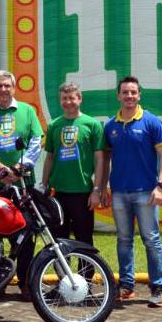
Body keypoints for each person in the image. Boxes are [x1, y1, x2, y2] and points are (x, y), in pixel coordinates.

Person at [101, 76, 162, 308]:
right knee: (124, 240)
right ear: (118, 96)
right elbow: (105, 159)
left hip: (146, 193)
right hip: (119, 193)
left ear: (139, 95)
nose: (129, 96)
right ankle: (126, 286)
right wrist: (102, 187)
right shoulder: (110, 126)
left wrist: (160, 186)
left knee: (151, 240)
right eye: (125, 92)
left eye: (133, 92)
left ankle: (157, 288)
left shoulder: (151, 121)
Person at [0, 70, 43, 299]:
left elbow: (36, 141)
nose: (3, 89)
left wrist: (17, 170)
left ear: (14, 88)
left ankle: (26, 282)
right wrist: (1, 169)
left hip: (23, 183)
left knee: (25, 234)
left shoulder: (27, 111)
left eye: (7, 85)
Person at [42, 82, 104, 246]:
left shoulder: (92, 125)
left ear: (80, 99)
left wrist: (96, 190)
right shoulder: (54, 125)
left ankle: (85, 265)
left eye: (71, 98)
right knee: (58, 240)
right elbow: (49, 157)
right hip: (57, 192)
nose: (68, 102)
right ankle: (62, 265)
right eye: (64, 98)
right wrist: (44, 185)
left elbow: (100, 159)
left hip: (82, 192)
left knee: (84, 239)